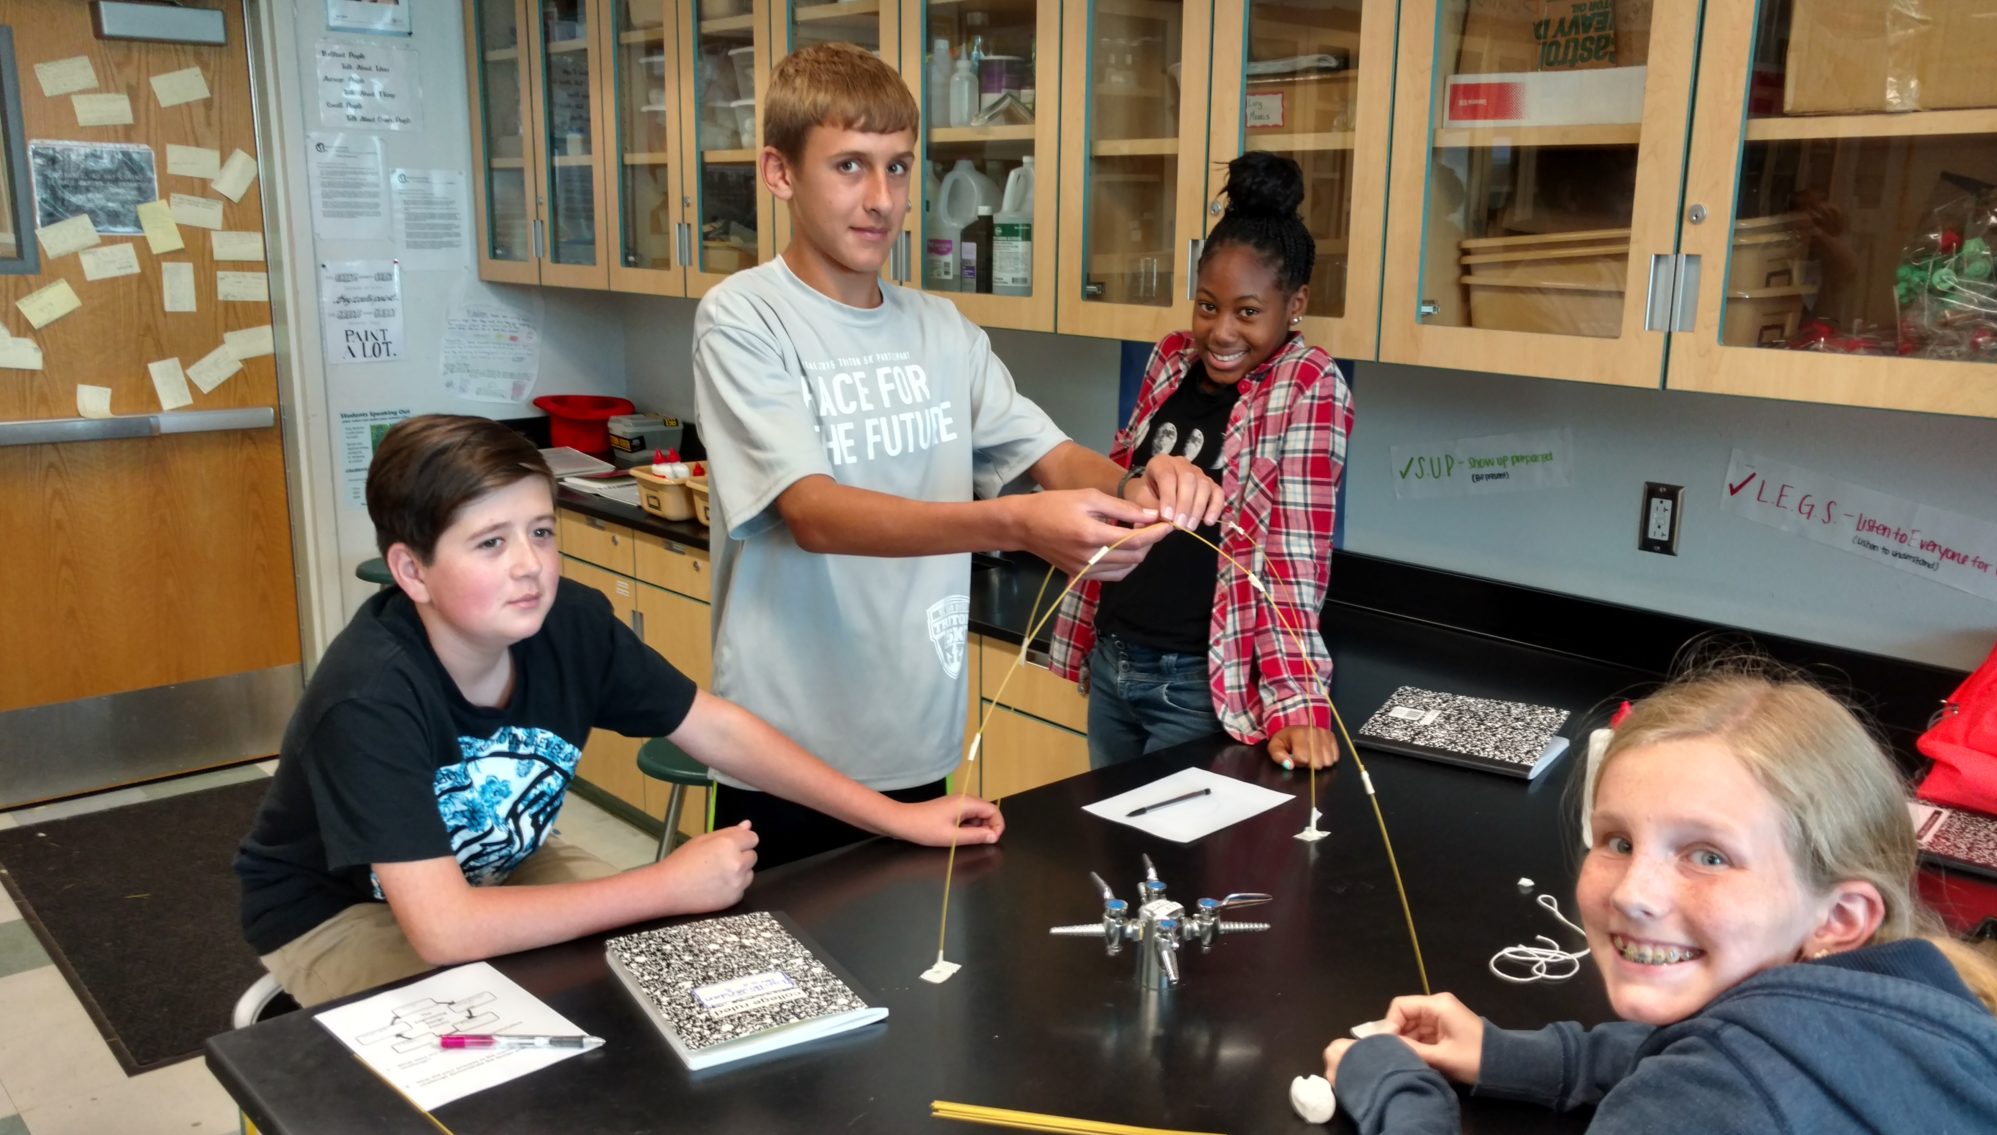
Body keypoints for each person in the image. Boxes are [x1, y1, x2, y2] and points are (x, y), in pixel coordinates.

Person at [232, 415, 1003, 1006]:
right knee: (507, 1037)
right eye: (490, 544)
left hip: (500, 863)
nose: (530, 566)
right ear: (414, 571)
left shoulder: (569, 621)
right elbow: (443, 930)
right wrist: (665, 883)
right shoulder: (369, 697)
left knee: (655, 981)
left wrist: (895, 817)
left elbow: (721, 730)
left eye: (540, 532)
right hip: (338, 912)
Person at [691, 43, 1222, 869]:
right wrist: (1009, 521)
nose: (880, 200)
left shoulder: (942, 330)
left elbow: (1046, 454)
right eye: (850, 166)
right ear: (779, 172)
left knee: (911, 978)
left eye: (899, 168)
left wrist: (1137, 484)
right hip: (781, 752)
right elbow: (812, 512)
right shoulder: (745, 319)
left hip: (917, 744)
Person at [1322, 668, 1997, 1135]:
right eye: (1616, 840)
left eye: (1709, 856)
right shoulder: (1905, 997)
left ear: (1837, 919)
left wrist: (1400, 1093)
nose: (1634, 893)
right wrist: (1514, 1054)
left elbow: (1722, 1073)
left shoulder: (1702, 1106)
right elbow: (1738, 1039)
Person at [1048, 152, 1353, 772]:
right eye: (1208, 305)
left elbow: (1297, 554)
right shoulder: (1169, 360)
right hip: (1113, 660)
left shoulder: (1307, 385)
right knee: (1113, 853)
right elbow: (1120, 490)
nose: (1221, 332)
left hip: (1195, 682)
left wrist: (1299, 701)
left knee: (1175, 866)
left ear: (1294, 304)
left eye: (1248, 311)